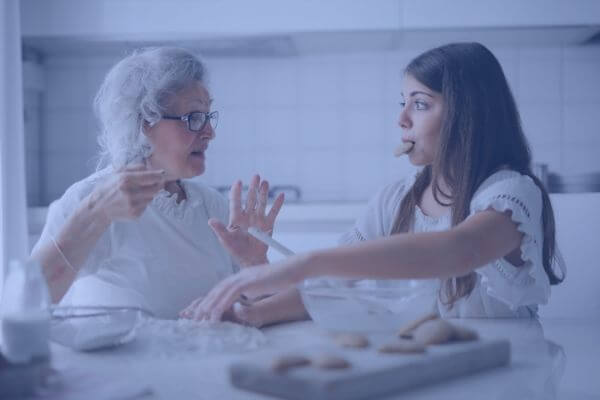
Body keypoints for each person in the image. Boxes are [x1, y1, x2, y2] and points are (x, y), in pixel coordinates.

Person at [182, 42, 566, 323]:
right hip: (430, 372)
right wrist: (252, 305)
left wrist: (306, 262)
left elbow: (460, 250)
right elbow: (338, 284)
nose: (401, 120)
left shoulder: (511, 195)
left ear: (468, 115)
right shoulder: (395, 200)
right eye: (402, 102)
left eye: (420, 103)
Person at [31, 47, 284, 319]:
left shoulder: (212, 206)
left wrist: (255, 264)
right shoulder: (90, 198)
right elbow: (29, 301)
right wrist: (94, 214)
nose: (210, 133)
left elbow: (262, 310)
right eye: (194, 117)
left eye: (208, 116)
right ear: (141, 122)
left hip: (208, 360)